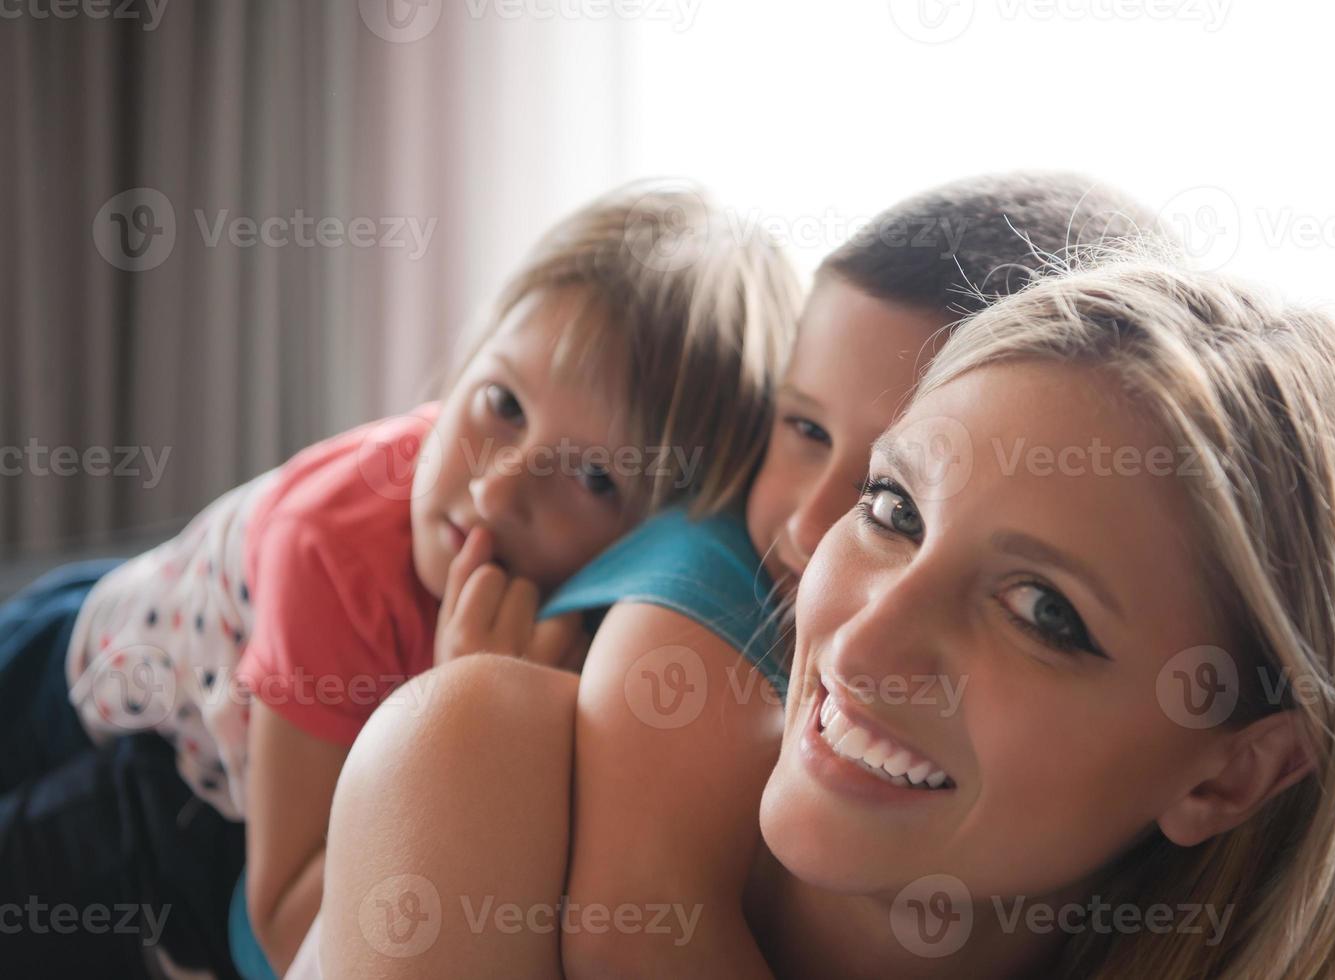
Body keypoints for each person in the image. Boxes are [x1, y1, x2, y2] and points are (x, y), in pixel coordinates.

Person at [325, 255, 1335, 978]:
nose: (860, 642)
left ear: (1230, 774)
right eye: (894, 506)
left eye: (1041, 609)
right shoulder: (482, 767)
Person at [314, 173, 1175, 977]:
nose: (807, 522)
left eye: (895, 493)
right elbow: (641, 913)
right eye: (803, 429)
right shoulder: (703, 571)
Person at [0, 180, 801, 978]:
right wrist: (458, 717)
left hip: (215, 758)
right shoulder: (335, 559)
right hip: (91, 677)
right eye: (503, 404)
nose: (496, 488)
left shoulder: (621, 619)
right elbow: (282, 924)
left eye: (595, 478)